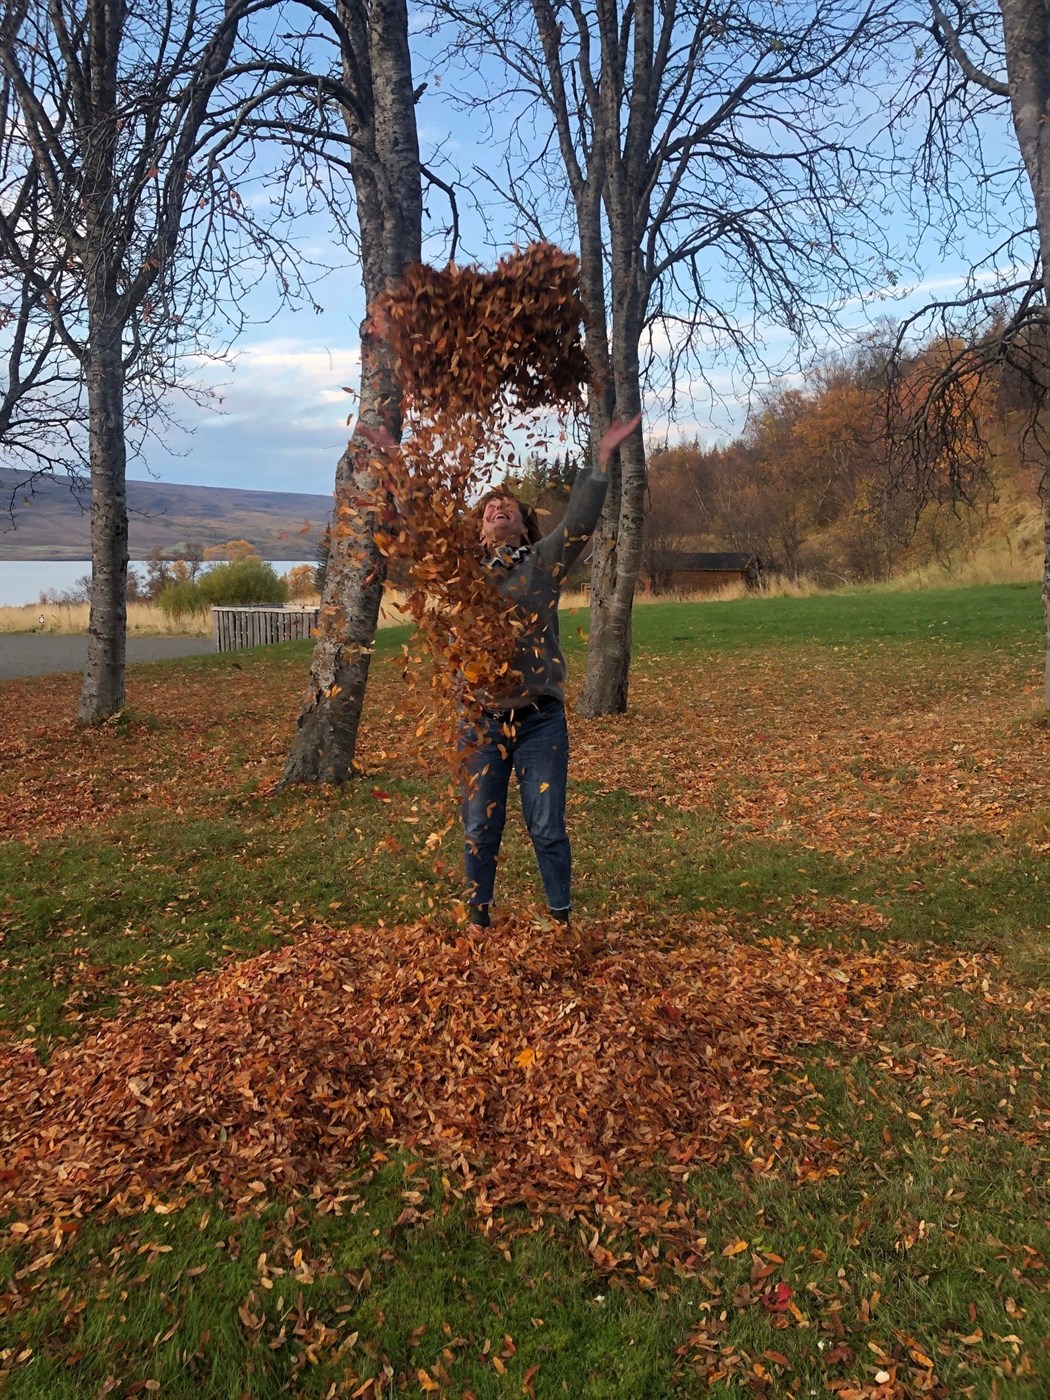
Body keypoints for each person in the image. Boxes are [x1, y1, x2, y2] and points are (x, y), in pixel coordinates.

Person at [461, 413, 641, 932]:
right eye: (488, 506)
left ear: (523, 522)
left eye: (507, 504)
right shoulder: (461, 575)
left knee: (547, 827)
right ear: (479, 527)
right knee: (479, 824)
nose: (498, 506)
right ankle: (478, 922)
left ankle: (561, 921)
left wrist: (600, 462)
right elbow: (412, 534)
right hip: (479, 719)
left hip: (539, 720)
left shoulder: (542, 563)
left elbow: (580, 523)